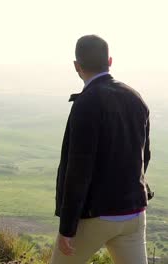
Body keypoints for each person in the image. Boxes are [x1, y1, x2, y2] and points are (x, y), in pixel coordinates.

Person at [51, 35, 151, 264]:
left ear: (77, 66)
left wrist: (67, 227)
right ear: (110, 61)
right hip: (134, 212)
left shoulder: (86, 103)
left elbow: (78, 170)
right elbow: (144, 157)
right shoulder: (136, 98)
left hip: (96, 214)